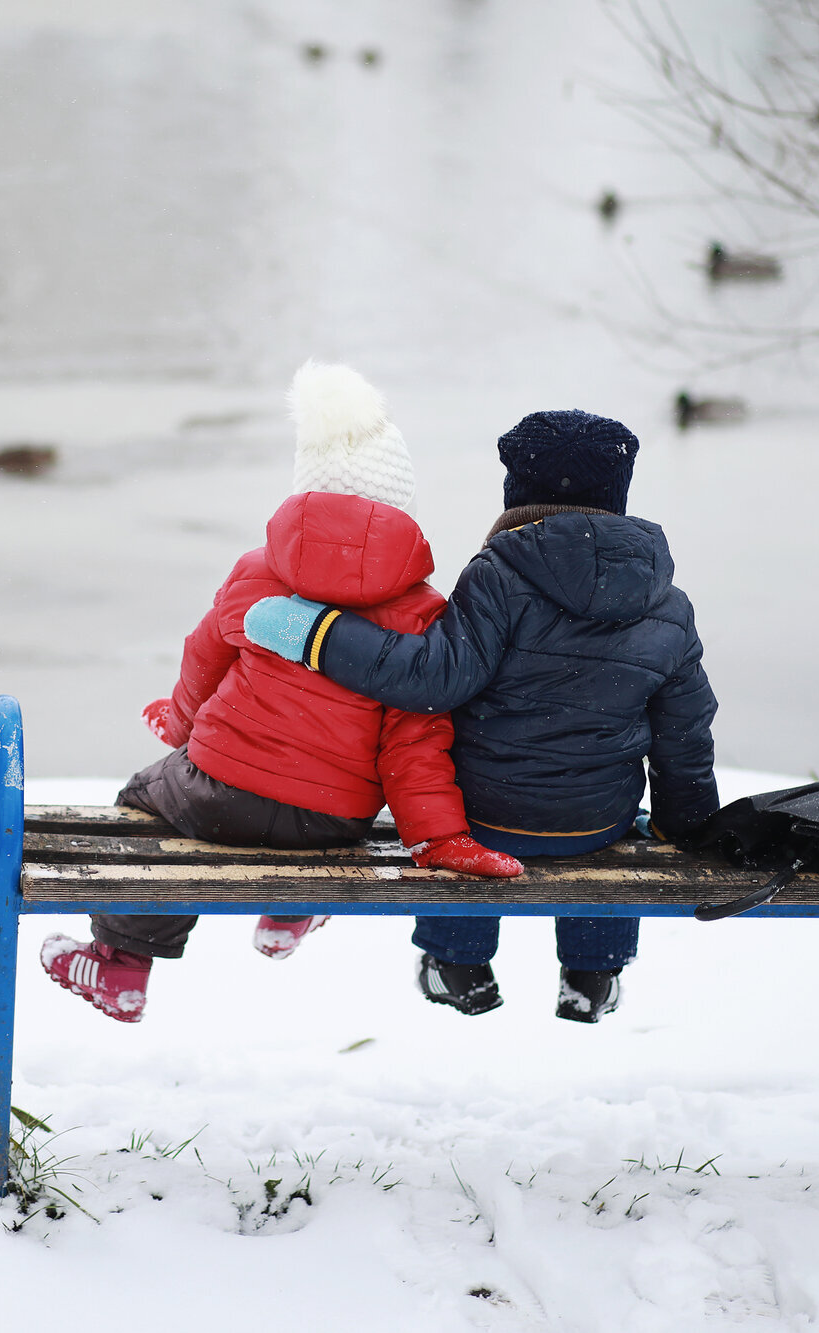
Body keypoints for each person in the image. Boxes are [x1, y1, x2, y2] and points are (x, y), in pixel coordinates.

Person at [41, 362, 525, 1023]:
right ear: (400, 503)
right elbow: (413, 744)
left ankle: (123, 962)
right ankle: (293, 905)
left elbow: (202, 656)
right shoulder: (419, 611)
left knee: (145, 799)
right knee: (304, 818)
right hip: (330, 819)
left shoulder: (257, 572)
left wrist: (180, 722)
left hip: (215, 793)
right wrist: (437, 836)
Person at [241, 408, 719, 1022]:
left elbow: (434, 679)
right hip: (595, 821)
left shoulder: (498, 575)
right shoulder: (668, 603)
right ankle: (593, 973)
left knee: (463, 813)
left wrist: (319, 633)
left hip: (488, 816)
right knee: (619, 822)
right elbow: (684, 732)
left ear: (516, 492)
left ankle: (457, 963)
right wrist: (686, 822)